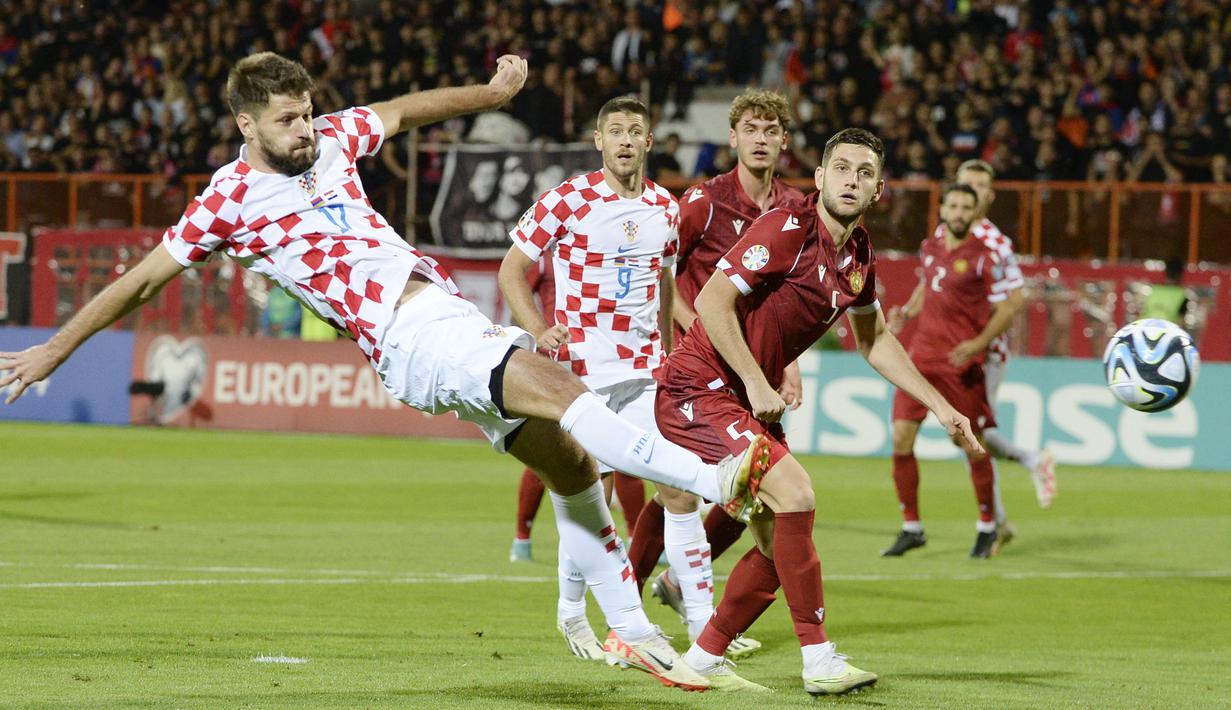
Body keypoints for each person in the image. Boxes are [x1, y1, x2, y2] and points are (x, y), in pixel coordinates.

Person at [0, 52, 775, 693]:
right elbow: (139, 280)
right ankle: (718, 481)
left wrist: (492, 92)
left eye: (307, 113)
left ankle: (633, 632)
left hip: (439, 323)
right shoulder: (224, 201)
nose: (305, 130)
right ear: (245, 124)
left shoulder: (332, 137)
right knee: (566, 394)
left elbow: (402, 111)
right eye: (286, 121)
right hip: (408, 334)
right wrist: (52, 352)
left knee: (570, 466)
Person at [656, 128, 982, 695]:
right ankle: (819, 659)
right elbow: (711, 299)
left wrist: (943, 406)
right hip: (697, 387)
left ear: (879, 189)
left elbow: (875, 340)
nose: (852, 180)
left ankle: (702, 660)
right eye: (843, 168)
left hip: (744, 399)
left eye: (864, 173)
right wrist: (759, 383)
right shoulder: (788, 226)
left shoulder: (858, 255)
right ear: (821, 175)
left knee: (773, 543)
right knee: (797, 496)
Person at [500, 94, 693, 669]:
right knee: (593, 494)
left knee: (673, 491)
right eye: (616, 130)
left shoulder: (667, 207)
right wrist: (538, 328)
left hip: (644, 371)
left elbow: (667, 286)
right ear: (599, 141)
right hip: (580, 371)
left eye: (636, 129)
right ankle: (573, 611)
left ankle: (703, 633)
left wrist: (671, 348)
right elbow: (513, 270)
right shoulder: (569, 198)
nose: (626, 139)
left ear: (649, 142)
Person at [626, 89, 803, 658]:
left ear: (782, 141)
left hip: (756, 373)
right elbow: (663, 270)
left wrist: (789, 364)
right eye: (750, 128)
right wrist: (686, 329)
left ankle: (679, 583)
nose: (760, 138)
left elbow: (789, 298)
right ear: (733, 138)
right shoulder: (704, 200)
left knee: (755, 489)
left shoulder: (795, 208)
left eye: (770, 129)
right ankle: (626, 604)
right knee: (678, 486)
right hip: (700, 370)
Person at [888, 159, 1056, 556]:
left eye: (979, 189)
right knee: (922, 437)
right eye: (965, 187)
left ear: (988, 196)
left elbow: (1013, 301)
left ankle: (993, 521)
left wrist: (980, 343)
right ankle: (938, 522)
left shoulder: (993, 247)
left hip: (976, 356)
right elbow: (931, 283)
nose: (970, 197)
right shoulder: (936, 240)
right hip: (925, 354)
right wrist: (909, 312)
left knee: (970, 440)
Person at [507, 253, 647, 566]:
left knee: (619, 450)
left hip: (601, 362)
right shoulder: (542, 256)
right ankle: (522, 538)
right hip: (554, 360)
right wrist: (534, 332)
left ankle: (636, 537)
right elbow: (515, 286)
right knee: (549, 452)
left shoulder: (599, 249)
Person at [1141, 258, 1188, 323]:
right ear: (1181, 274)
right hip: (1167, 331)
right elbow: (1180, 322)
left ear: (1165, 272)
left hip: (1145, 327)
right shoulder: (1182, 295)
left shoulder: (1153, 289)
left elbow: (1142, 311)